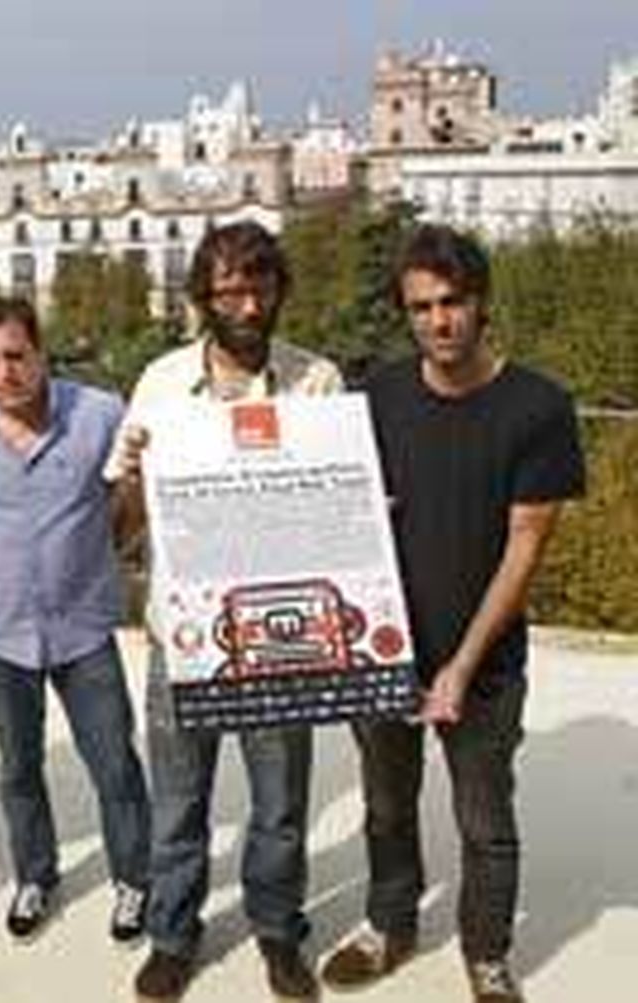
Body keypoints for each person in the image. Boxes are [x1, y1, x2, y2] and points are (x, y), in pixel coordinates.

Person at [320, 225, 584, 1003]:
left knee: (485, 821)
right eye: (421, 307)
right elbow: (347, 508)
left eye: (452, 302)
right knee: (385, 806)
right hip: (385, 653)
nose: (439, 320)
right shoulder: (379, 397)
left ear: (481, 302)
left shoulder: (539, 407)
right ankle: (390, 924)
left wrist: (461, 668)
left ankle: (487, 954)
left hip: (485, 664)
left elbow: (525, 547)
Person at [110, 221, 343, 1002]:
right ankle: (173, 935)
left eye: (259, 287)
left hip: (281, 635)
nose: (246, 305)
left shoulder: (317, 381)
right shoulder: (161, 383)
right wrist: (134, 478)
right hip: (186, 635)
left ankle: (278, 931)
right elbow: (120, 529)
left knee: (280, 803)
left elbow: (338, 514)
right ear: (203, 300)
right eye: (228, 292)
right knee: (178, 801)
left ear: (279, 289)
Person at [0, 296, 153, 944]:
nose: (6, 372)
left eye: (17, 355)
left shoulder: (100, 414)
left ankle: (135, 879)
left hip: (84, 630)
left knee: (114, 764)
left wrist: (109, 547)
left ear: (41, 352)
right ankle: (36, 875)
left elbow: (131, 501)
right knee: (18, 769)